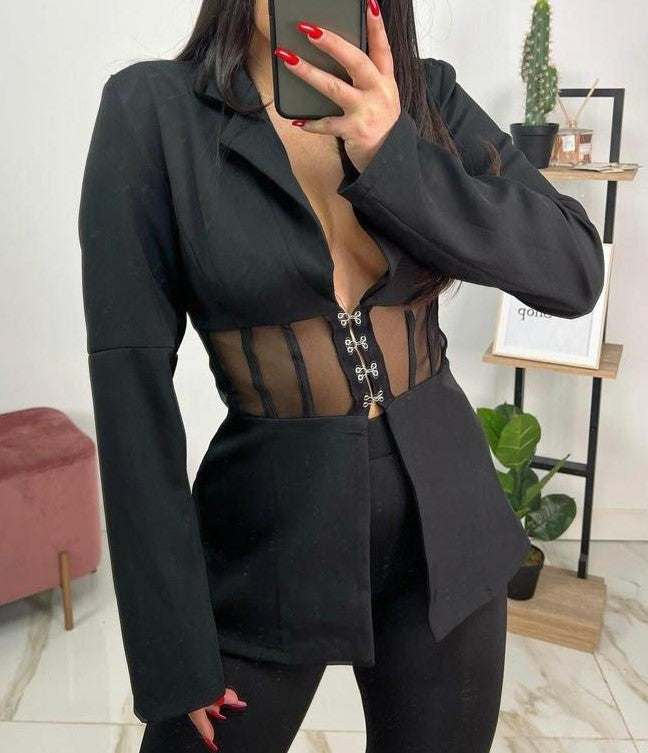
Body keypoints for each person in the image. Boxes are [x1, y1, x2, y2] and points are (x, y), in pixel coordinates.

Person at [78, 0, 605, 750]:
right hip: (267, 536)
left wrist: (394, 152)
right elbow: (131, 384)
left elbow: (574, 271)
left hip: (448, 531)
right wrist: (173, 651)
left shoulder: (425, 98)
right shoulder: (155, 111)